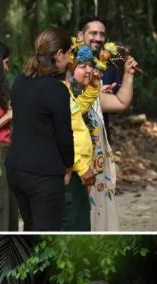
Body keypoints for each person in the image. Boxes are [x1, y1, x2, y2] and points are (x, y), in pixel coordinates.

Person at [5, 28, 73, 231]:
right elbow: (64, 137)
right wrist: (68, 166)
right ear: (59, 54)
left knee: (30, 229)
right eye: (68, 53)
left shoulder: (19, 82)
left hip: (15, 169)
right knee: (47, 234)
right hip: (43, 175)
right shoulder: (57, 90)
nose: (70, 59)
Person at [75, 15, 139, 231]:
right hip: (72, 148)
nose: (98, 38)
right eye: (93, 33)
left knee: (99, 203)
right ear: (80, 35)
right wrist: (90, 90)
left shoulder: (109, 64)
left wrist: (128, 76)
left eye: (102, 34)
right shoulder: (66, 61)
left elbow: (120, 102)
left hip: (99, 142)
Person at [62, 45, 102, 230]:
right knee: (72, 223)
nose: (88, 70)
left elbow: (76, 110)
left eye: (90, 65)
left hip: (79, 168)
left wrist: (94, 88)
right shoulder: (61, 89)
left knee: (82, 222)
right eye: (81, 65)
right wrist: (81, 166)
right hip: (72, 168)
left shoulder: (67, 89)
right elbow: (64, 133)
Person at [0, 39, 19, 231]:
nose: (7, 66)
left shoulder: (0, 88)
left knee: (10, 205)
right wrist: (9, 115)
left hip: (7, 149)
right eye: (5, 61)